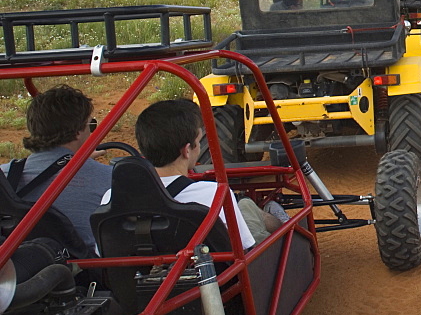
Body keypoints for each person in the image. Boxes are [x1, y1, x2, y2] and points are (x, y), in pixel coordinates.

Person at [102, 100, 285, 249]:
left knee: (246, 206)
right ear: (187, 150)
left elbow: (102, 252)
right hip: (217, 288)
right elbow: (247, 248)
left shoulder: (111, 198)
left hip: (136, 289)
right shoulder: (214, 195)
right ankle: (283, 221)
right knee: (249, 210)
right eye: (198, 142)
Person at [1, 84, 111, 253]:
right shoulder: (109, 178)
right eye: (91, 124)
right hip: (82, 274)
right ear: (78, 131)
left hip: (16, 272)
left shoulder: (5, 176)